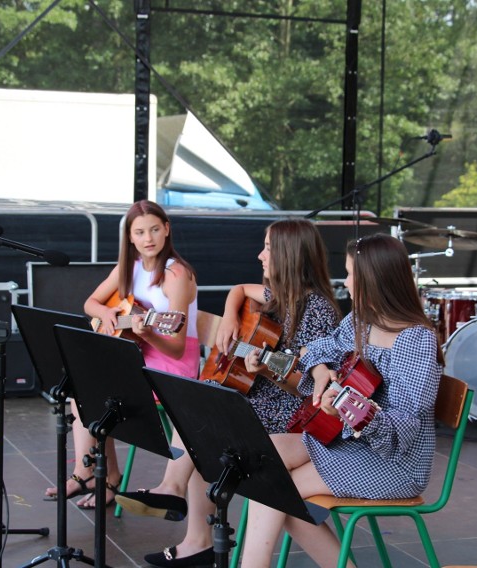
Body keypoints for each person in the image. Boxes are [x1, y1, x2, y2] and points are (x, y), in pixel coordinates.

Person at [115, 218, 343, 567]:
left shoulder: (317, 309)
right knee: (201, 402)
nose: (260, 255)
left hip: (289, 415)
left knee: (203, 412)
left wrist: (266, 368)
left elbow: (311, 387)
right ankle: (183, 512)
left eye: (268, 248)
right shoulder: (280, 296)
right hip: (262, 397)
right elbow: (240, 288)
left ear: (289, 255)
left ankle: (181, 508)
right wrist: (231, 315)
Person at [239, 233, 444, 568]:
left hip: (396, 463)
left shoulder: (415, 341)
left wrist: (347, 408)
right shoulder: (360, 322)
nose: (345, 281)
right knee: (265, 455)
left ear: (373, 279)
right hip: (350, 443)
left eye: (350, 273)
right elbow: (316, 350)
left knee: (277, 489)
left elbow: (405, 428)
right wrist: (320, 371)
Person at [44, 200, 200, 509]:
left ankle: (94, 476)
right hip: (137, 354)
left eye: (155, 229)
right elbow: (90, 304)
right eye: (140, 232)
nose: (148, 238)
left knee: (96, 390)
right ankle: (96, 474)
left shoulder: (177, 275)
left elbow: (178, 346)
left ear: (167, 230)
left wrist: (149, 333)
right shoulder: (128, 269)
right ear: (129, 237)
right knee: (82, 387)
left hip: (171, 363)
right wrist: (108, 312)